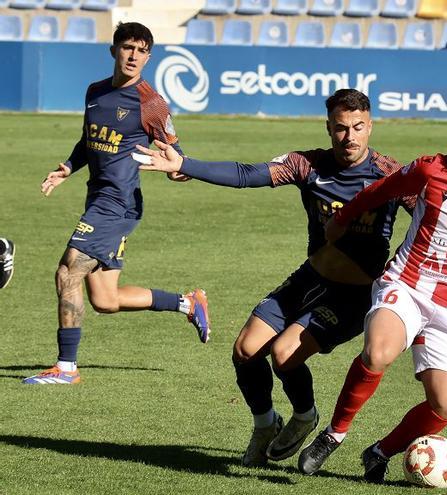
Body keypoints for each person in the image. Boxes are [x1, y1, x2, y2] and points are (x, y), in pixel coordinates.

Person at [136, 89, 421, 468]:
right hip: (311, 278)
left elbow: (432, 218)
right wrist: (186, 163)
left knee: (284, 356)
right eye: (340, 128)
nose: (349, 137)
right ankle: (265, 424)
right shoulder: (307, 165)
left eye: (357, 128)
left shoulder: (390, 174)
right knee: (245, 350)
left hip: (354, 296)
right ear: (328, 128)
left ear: (370, 127)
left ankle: (305, 415)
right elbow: (245, 174)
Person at [297, 109, 447, 482]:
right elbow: (379, 190)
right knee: (378, 353)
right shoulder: (432, 171)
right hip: (405, 284)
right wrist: (341, 220)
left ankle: (379, 452)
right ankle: (333, 435)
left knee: (445, 406)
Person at [23, 22, 210, 386]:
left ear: (149, 57)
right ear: (114, 50)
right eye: (127, 47)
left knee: (67, 272)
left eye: (141, 50)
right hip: (98, 197)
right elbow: (88, 140)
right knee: (105, 300)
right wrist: (67, 167)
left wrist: (178, 168)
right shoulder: (95, 92)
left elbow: (173, 150)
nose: (133, 55)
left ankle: (66, 369)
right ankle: (188, 303)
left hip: (117, 204)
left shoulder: (151, 102)